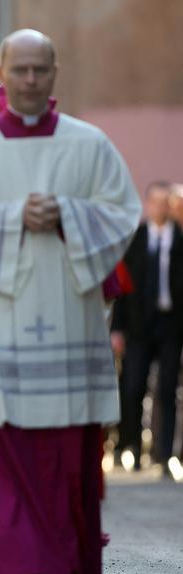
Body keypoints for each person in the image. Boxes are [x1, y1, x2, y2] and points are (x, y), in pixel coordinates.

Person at [0, 30, 141, 574]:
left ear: (53, 73)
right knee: (7, 448)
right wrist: (10, 220)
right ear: (2, 68)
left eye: (39, 70)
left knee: (64, 452)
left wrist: (69, 215)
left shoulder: (89, 144)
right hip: (1, 320)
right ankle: (22, 571)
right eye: (18, 69)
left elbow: (122, 215)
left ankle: (64, 571)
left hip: (68, 320)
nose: (29, 80)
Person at [111, 181, 183, 471]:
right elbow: (121, 287)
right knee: (132, 388)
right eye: (155, 201)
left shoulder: (180, 239)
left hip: (171, 325)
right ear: (147, 204)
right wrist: (117, 328)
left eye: (166, 202)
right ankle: (133, 449)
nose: (160, 207)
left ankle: (165, 455)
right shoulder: (136, 239)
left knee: (167, 390)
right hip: (138, 326)